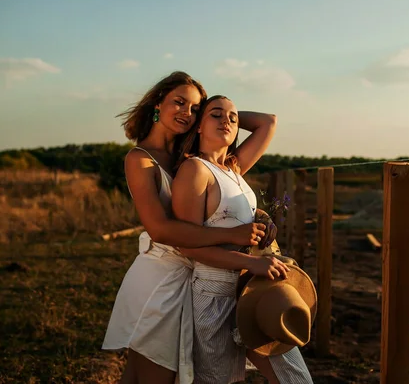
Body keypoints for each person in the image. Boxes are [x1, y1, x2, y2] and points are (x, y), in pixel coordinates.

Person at [101, 72, 283, 384]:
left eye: (195, 108)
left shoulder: (195, 158)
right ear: (157, 103)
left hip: (195, 275)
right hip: (161, 280)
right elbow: (160, 229)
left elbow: (267, 122)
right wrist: (232, 235)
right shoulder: (140, 159)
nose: (187, 112)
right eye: (179, 103)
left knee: (139, 376)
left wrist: (218, 111)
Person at [172, 95, 313, 384]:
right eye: (215, 115)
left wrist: (259, 216)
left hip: (254, 287)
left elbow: (268, 122)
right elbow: (187, 244)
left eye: (234, 118)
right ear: (198, 125)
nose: (227, 120)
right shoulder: (195, 170)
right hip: (215, 292)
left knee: (295, 379)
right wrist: (200, 111)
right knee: (220, 380)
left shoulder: (233, 169)